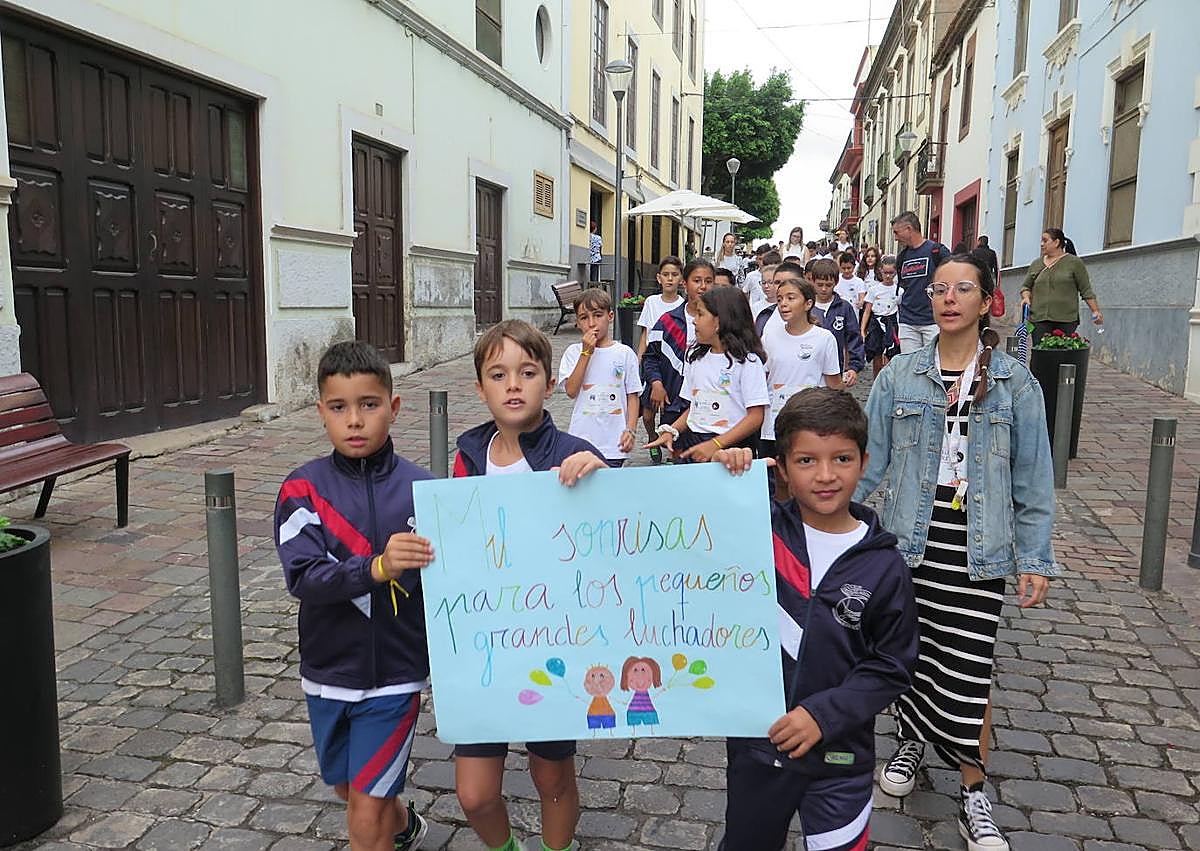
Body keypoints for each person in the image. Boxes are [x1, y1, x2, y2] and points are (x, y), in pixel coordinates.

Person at [857, 253, 1057, 851]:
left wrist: (1035, 559)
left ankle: (974, 790)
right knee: (907, 654)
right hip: (909, 541)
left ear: (987, 299)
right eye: (939, 288)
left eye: (962, 288)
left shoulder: (1015, 383)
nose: (948, 298)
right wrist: (815, 516)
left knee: (970, 666)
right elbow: (870, 463)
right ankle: (912, 745)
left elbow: (1033, 477)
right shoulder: (898, 375)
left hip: (978, 543)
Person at [713, 388, 919, 851]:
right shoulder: (757, 531)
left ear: (864, 462)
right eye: (807, 461)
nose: (826, 476)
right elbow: (674, 530)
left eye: (841, 459)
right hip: (758, 751)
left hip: (840, 758)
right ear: (782, 467)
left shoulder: (884, 566)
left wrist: (823, 715)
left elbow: (892, 665)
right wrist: (727, 475)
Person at [452, 321, 607, 851]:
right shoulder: (468, 457)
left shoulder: (572, 451)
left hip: (552, 642)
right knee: (474, 795)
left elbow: (617, 535)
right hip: (484, 648)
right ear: (480, 388)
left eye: (527, 372)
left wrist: (598, 471)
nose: (513, 385)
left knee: (552, 779)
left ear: (547, 381)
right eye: (498, 374)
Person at [275, 340, 433, 851]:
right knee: (349, 787)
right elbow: (304, 577)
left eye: (368, 404)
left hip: (396, 676)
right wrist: (378, 567)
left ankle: (385, 824)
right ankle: (403, 823)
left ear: (394, 407)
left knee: (366, 811)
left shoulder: (423, 489)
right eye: (339, 407)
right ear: (321, 411)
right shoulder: (303, 490)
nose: (355, 420)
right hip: (328, 673)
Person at [644, 286, 768, 462]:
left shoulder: (747, 362)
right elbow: (694, 408)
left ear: (719, 322)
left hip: (731, 448)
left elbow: (755, 416)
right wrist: (672, 430)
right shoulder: (696, 358)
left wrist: (716, 444)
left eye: (700, 314)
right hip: (694, 443)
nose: (694, 321)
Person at [760, 277, 843, 472]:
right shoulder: (769, 337)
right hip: (773, 423)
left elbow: (833, 385)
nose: (783, 304)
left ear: (808, 303)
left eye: (790, 298)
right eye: (779, 299)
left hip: (809, 421)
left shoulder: (824, 338)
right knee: (775, 478)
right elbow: (762, 378)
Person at [559, 289, 642, 469]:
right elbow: (571, 391)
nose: (591, 323)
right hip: (582, 439)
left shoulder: (625, 353)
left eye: (597, 315)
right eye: (584, 318)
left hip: (613, 442)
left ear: (610, 316)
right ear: (577, 322)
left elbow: (633, 396)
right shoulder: (573, 353)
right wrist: (586, 353)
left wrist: (631, 429)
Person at [641, 259, 714, 464]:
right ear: (685, 283)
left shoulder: (721, 322)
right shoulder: (667, 321)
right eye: (697, 280)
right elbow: (650, 357)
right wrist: (656, 383)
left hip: (709, 406)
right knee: (678, 457)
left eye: (708, 281)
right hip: (674, 401)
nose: (703, 286)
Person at [1020, 228, 1104, 345]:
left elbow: (1086, 290)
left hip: (1066, 319)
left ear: (1056, 242)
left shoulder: (1074, 263)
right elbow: (1026, 286)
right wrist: (1026, 297)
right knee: (1041, 354)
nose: (1041, 244)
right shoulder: (1036, 264)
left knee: (1062, 355)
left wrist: (1096, 311)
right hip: (1039, 319)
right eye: (1041, 241)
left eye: (1045, 241)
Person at [891, 211, 950, 354]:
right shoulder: (902, 257)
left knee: (934, 363)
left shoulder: (937, 251)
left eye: (897, 233)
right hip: (907, 322)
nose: (895, 238)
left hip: (932, 321)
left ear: (909, 229)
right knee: (909, 366)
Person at [810, 258, 865, 388]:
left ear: (836, 282)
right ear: (812, 281)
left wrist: (853, 367)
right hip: (808, 371)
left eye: (828, 285)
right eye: (820, 284)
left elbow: (854, 339)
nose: (824, 289)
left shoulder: (844, 308)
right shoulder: (806, 306)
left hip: (836, 371)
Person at [860, 255, 901, 377]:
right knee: (876, 355)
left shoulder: (899, 290)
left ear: (895, 273)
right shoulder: (874, 289)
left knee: (891, 354)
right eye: (885, 272)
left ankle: (889, 382)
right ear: (880, 271)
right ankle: (876, 381)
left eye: (891, 273)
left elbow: (901, 309)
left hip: (891, 323)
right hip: (876, 323)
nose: (888, 276)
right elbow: (867, 311)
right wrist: (863, 330)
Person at [835, 251, 867, 318]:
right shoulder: (836, 280)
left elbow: (862, 297)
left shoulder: (859, 282)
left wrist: (861, 302)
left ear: (854, 267)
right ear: (840, 266)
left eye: (849, 268)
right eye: (844, 268)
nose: (846, 271)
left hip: (853, 314)